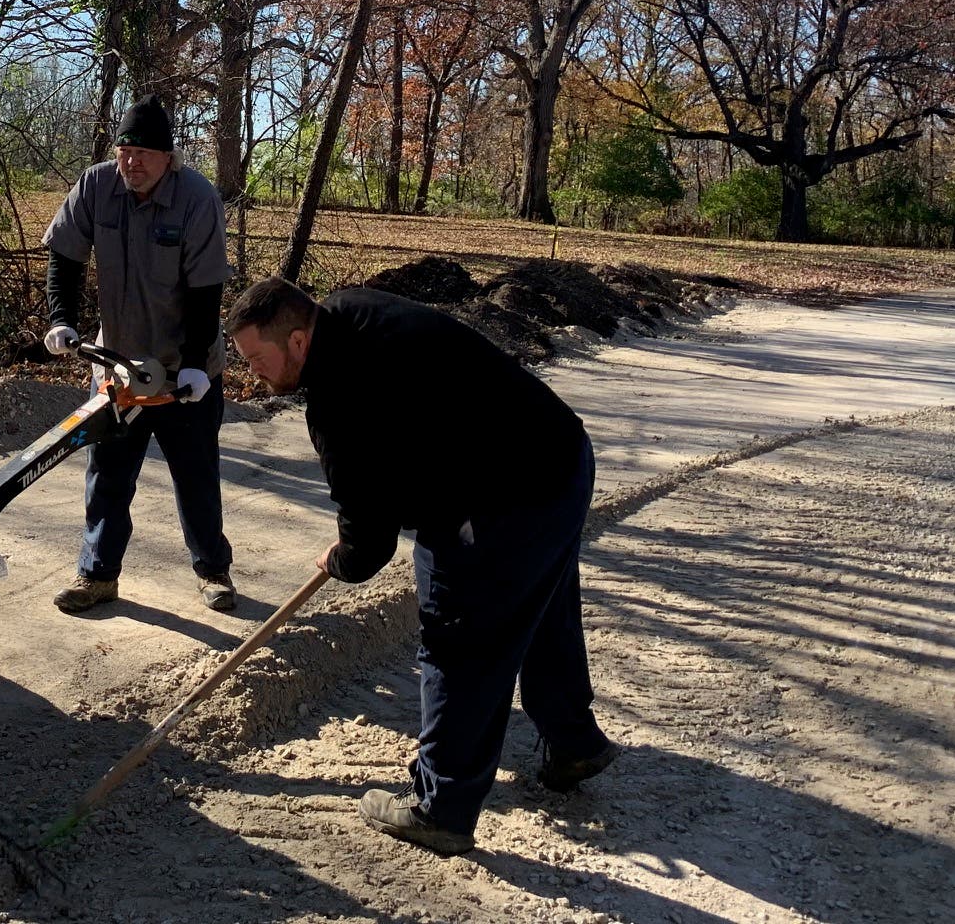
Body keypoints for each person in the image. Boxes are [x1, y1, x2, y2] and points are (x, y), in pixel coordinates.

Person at [226, 274, 617, 855]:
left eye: (256, 358)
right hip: (560, 456)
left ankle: (442, 807)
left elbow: (369, 542)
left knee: (458, 640)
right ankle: (575, 742)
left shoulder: (337, 404)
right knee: (540, 604)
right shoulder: (346, 308)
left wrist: (340, 559)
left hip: (500, 497)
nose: (251, 372)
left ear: (299, 341)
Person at [42, 95, 237, 615]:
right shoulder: (96, 186)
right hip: (118, 367)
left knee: (195, 476)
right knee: (107, 474)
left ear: (168, 157)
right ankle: (97, 576)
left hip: (183, 372)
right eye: (124, 150)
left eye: (144, 153)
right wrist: (61, 319)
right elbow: (64, 255)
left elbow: (207, 288)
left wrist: (194, 361)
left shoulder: (197, 198)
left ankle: (213, 570)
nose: (131, 162)